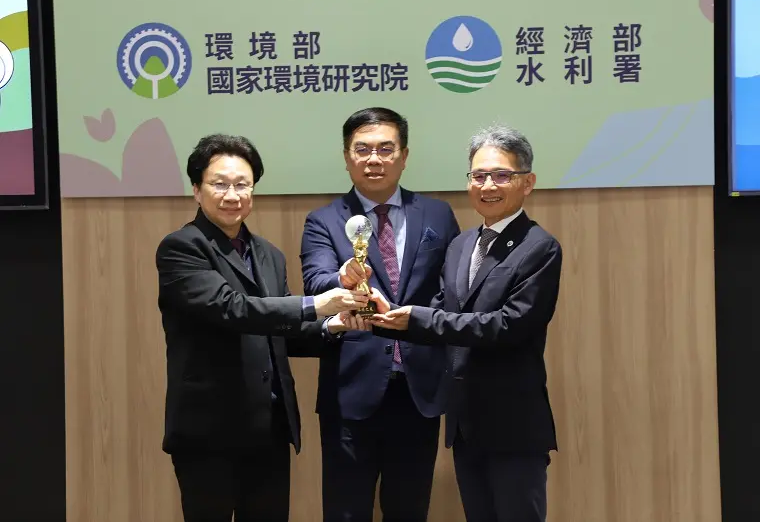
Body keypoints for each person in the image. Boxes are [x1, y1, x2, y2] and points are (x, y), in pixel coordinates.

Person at [155, 134, 369, 522]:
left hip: (269, 429)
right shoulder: (182, 248)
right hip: (209, 433)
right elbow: (231, 308)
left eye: (242, 184)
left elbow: (280, 331)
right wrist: (316, 304)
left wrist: (334, 325)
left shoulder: (269, 254)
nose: (232, 195)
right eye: (220, 184)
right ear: (197, 190)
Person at [370, 124, 562, 522]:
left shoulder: (539, 247)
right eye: (479, 175)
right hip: (465, 423)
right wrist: (385, 313)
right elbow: (443, 309)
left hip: (513, 425)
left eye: (501, 175)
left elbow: (508, 326)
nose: (487, 185)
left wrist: (418, 317)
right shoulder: (461, 245)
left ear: (527, 183)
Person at [299, 107, 460, 522]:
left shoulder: (438, 215)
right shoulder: (323, 220)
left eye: (386, 149)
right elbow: (316, 280)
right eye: (363, 149)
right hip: (351, 389)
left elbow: (452, 289)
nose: (374, 159)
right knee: (346, 511)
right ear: (346, 157)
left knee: (409, 510)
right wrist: (342, 277)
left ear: (404, 156)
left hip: (419, 389)